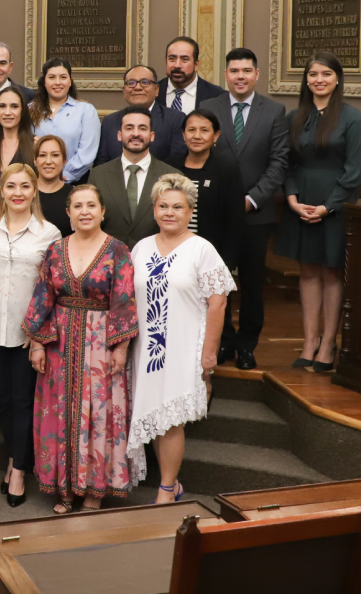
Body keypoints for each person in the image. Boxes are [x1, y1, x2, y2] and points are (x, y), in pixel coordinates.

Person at [24, 184, 136, 512]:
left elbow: (124, 301)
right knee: (61, 411)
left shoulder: (117, 250)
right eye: (78, 206)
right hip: (59, 343)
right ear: (68, 213)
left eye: (91, 205)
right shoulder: (55, 249)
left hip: (100, 344)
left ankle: (93, 491)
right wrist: (37, 343)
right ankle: (65, 487)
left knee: (97, 414)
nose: (85, 211)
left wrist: (120, 349)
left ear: (102, 212)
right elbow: (43, 296)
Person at [128, 174, 234, 503]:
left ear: (190, 211)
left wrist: (209, 353)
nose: (169, 212)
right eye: (163, 206)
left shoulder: (202, 250)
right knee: (155, 415)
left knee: (171, 419)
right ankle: (172, 485)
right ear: (154, 210)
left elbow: (218, 303)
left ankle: (166, 488)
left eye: (178, 207)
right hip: (145, 350)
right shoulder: (141, 248)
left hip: (183, 348)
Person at [0, 163, 60, 507]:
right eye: (11, 186)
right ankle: (13, 457)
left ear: (34, 191)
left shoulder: (48, 232)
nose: (17, 192)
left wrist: (38, 333)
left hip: (27, 332)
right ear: (2, 192)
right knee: (2, 400)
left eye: (24, 186)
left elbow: (51, 288)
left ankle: (19, 469)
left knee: (23, 401)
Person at [275, 53, 361, 372]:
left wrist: (328, 207)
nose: (319, 80)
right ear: (306, 79)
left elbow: (354, 172)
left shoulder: (352, 117)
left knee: (331, 272)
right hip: (300, 203)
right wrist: (291, 198)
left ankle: (328, 343)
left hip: (336, 204)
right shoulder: (294, 117)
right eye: (313, 74)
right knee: (308, 271)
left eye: (326, 74)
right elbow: (285, 164)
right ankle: (310, 341)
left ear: (337, 79)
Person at [199, 48, 289, 370]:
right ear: (226, 75)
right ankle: (223, 340)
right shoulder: (208, 107)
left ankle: (247, 345)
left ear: (256, 74)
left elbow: (278, 163)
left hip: (255, 214)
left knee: (252, 284)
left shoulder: (274, 111)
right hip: (216, 214)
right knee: (216, 282)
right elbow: (200, 152)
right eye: (234, 71)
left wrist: (251, 200)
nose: (240, 76)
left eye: (246, 71)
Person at [90, 106, 180, 248]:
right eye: (129, 128)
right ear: (119, 135)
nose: (136, 134)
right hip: (109, 256)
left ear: (152, 136)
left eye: (142, 128)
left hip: (158, 255)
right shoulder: (98, 175)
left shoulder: (172, 176)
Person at [166, 109, 244, 268]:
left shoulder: (227, 169)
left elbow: (235, 220)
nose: (197, 136)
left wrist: (227, 262)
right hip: (172, 252)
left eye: (204, 130)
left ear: (216, 135)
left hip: (211, 256)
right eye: (191, 130)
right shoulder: (170, 167)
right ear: (183, 135)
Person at [97, 65, 187, 165]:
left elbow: (177, 161)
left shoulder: (175, 119)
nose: (137, 87)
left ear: (156, 89)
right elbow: (101, 163)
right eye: (131, 83)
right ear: (124, 91)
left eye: (145, 82)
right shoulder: (110, 121)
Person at [31, 59, 100, 183]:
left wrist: (64, 175)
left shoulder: (85, 111)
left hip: (74, 182)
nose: (57, 82)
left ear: (70, 81)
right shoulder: (30, 110)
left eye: (63, 77)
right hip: (37, 181)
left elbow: (87, 151)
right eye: (52, 77)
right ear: (44, 82)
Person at [0, 86, 37, 180]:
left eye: (14, 106)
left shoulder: (35, 144)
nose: (7, 112)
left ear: (22, 111)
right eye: (2, 106)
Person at [158, 36, 226, 113]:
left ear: (196, 65)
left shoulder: (217, 95)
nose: (177, 65)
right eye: (172, 59)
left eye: (185, 59)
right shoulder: (152, 92)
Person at [34, 135, 74, 238]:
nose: (48, 161)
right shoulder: (24, 194)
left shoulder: (75, 196)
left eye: (55, 155)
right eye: (42, 155)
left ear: (64, 160)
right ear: (35, 160)